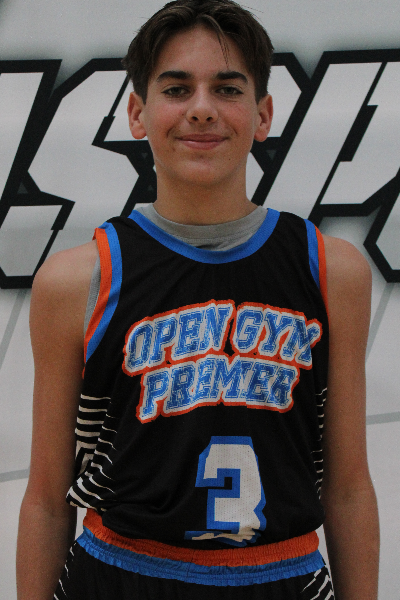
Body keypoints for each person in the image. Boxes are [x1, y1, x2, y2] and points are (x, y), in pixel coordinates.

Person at [16, 1, 379, 598]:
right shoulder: (78, 280)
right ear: (138, 113)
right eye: (177, 89)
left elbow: (348, 488)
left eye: (228, 89)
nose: (202, 108)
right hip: (120, 577)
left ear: (263, 115)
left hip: (284, 577)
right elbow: (47, 500)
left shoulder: (330, 271)